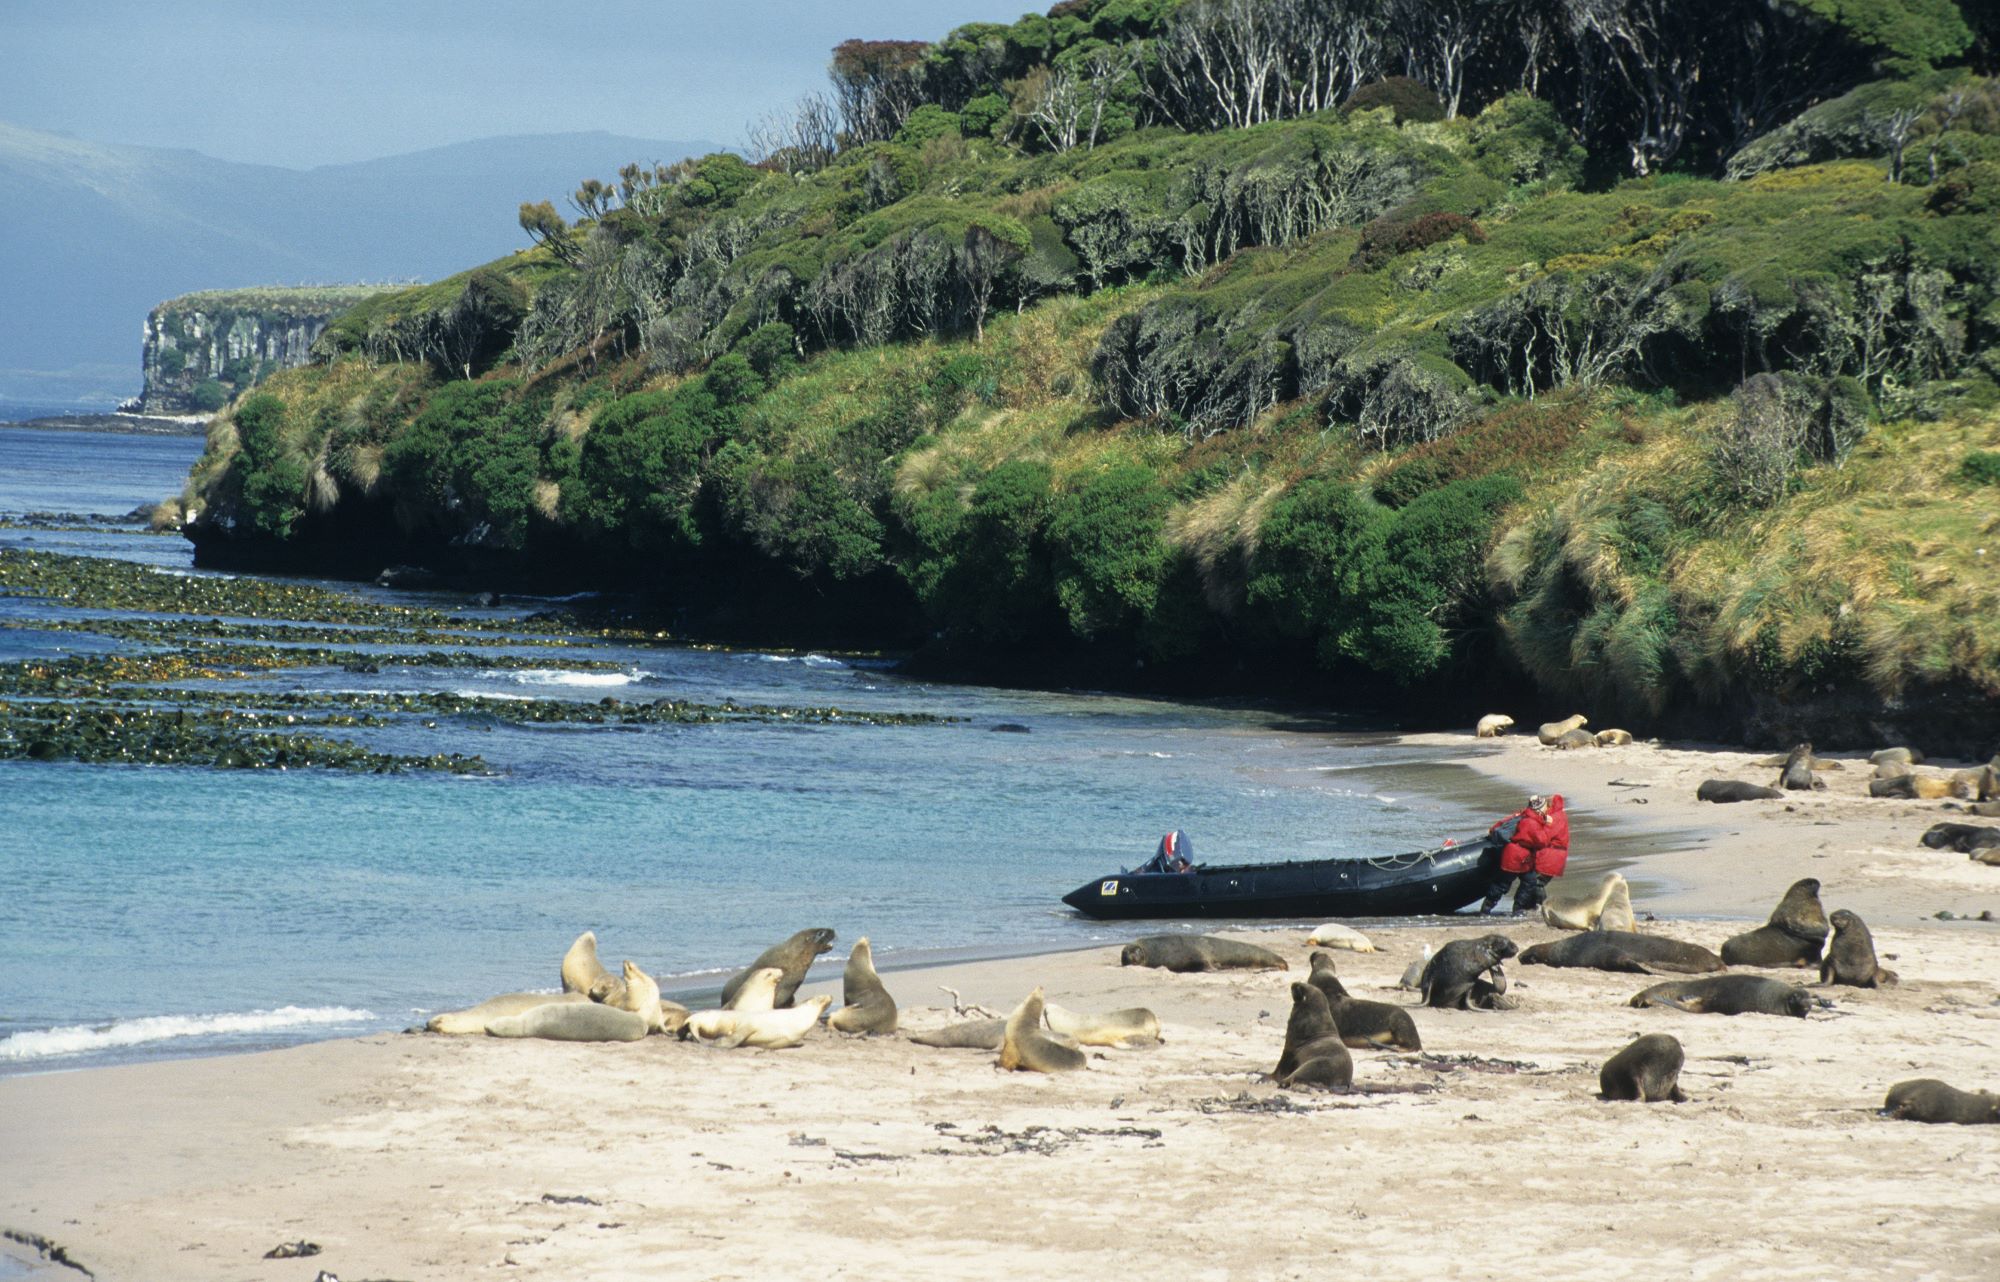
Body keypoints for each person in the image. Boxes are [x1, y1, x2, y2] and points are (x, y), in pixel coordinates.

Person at [1480, 793, 1568, 914]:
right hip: (1519, 857)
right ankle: (1510, 909)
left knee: (1520, 882)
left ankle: (1496, 908)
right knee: (1509, 883)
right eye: (1544, 807)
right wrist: (1545, 824)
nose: (1546, 809)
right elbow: (1542, 840)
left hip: (1516, 856)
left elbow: (1505, 823)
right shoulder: (1532, 822)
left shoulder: (1524, 817)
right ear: (1539, 809)